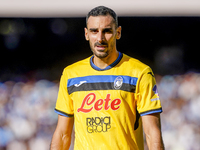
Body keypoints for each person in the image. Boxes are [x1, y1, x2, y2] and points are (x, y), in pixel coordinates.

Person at [50, 6, 165, 150]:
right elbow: (62, 134)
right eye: (94, 31)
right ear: (86, 34)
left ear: (118, 33)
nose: (100, 38)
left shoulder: (140, 73)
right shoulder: (70, 74)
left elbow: (152, 132)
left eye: (107, 31)